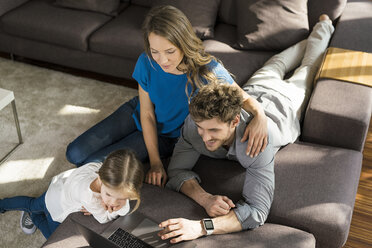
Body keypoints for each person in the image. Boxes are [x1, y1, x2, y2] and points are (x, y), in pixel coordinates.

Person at [158, 15, 334, 244]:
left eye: (213, 131)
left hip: (286, 101)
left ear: (233, 122)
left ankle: (324, 26)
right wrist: (205, 199)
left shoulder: (256, 143)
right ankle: (309, 37)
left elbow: (258, 211)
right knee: (278, 62)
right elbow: (176, 171)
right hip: (255, 89)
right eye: (201, 128)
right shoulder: (195, 123)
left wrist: (202, 227)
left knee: (310, 65)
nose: (204, 136)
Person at [65, 5, 268, 187]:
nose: (162, 60)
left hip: (168, 136)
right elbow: (147, 114)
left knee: (91, 167)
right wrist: (154, 162)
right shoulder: (146, 61)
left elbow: (244, 98)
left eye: (170, 51)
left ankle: (40, 207)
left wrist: (260, 115)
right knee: (73, 153)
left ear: (184, 43)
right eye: (155, 51)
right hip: (139, 113)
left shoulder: (209, 71)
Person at [0, 149, 144, 239]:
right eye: (108, 194)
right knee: (53, 237)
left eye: (122, 198)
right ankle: (34, 216)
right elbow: (103, 219)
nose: (113, 203)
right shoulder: (90, 198)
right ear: (100, 178)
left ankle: (5, 205)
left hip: (57, 188)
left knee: (32, 204)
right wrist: (118, 209)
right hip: (56, 206)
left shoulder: (99, 167)